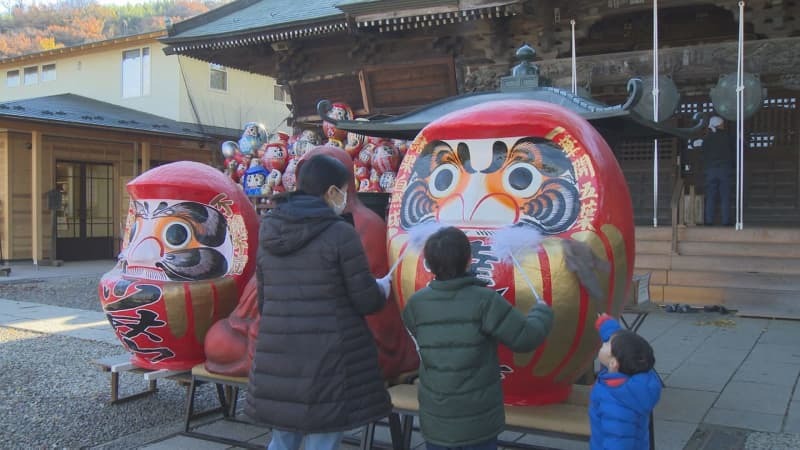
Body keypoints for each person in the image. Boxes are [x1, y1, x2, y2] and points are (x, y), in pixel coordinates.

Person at [245, 154, 393, 450]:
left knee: (283, 438)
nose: (345, 198)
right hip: (329, 360)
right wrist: (384, 288)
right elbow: (366, 300)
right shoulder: (340, 234)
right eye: (343, 190)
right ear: (331, 192)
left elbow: (265, 301)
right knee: (323, 439)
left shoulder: (270, 230)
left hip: (279, 356)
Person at [401, 226, 554, 450]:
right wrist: (542, 313)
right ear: (469, 259)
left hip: (437, 419)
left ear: (429, 263)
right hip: (478, 422)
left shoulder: (416, 303)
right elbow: (525, 338)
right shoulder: (485, 300)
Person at [590, 313, 662, 450]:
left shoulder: (616, 403)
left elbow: (617, 440)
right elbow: (622, 342)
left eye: (606, 344)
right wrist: (606, 324)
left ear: (613, 363)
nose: (603, 343)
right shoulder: (636, 375)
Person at [702, 115, 735, 226]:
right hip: (724, 169)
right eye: (722, 123)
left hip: (711, 170)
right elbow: (734, 152)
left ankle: (709, 220)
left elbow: (703, 154)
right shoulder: (728, 137)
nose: (724, 125)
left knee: (710, 196)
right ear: (719, 125)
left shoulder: (706, 139)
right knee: (725, 195)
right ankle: (726, 221)